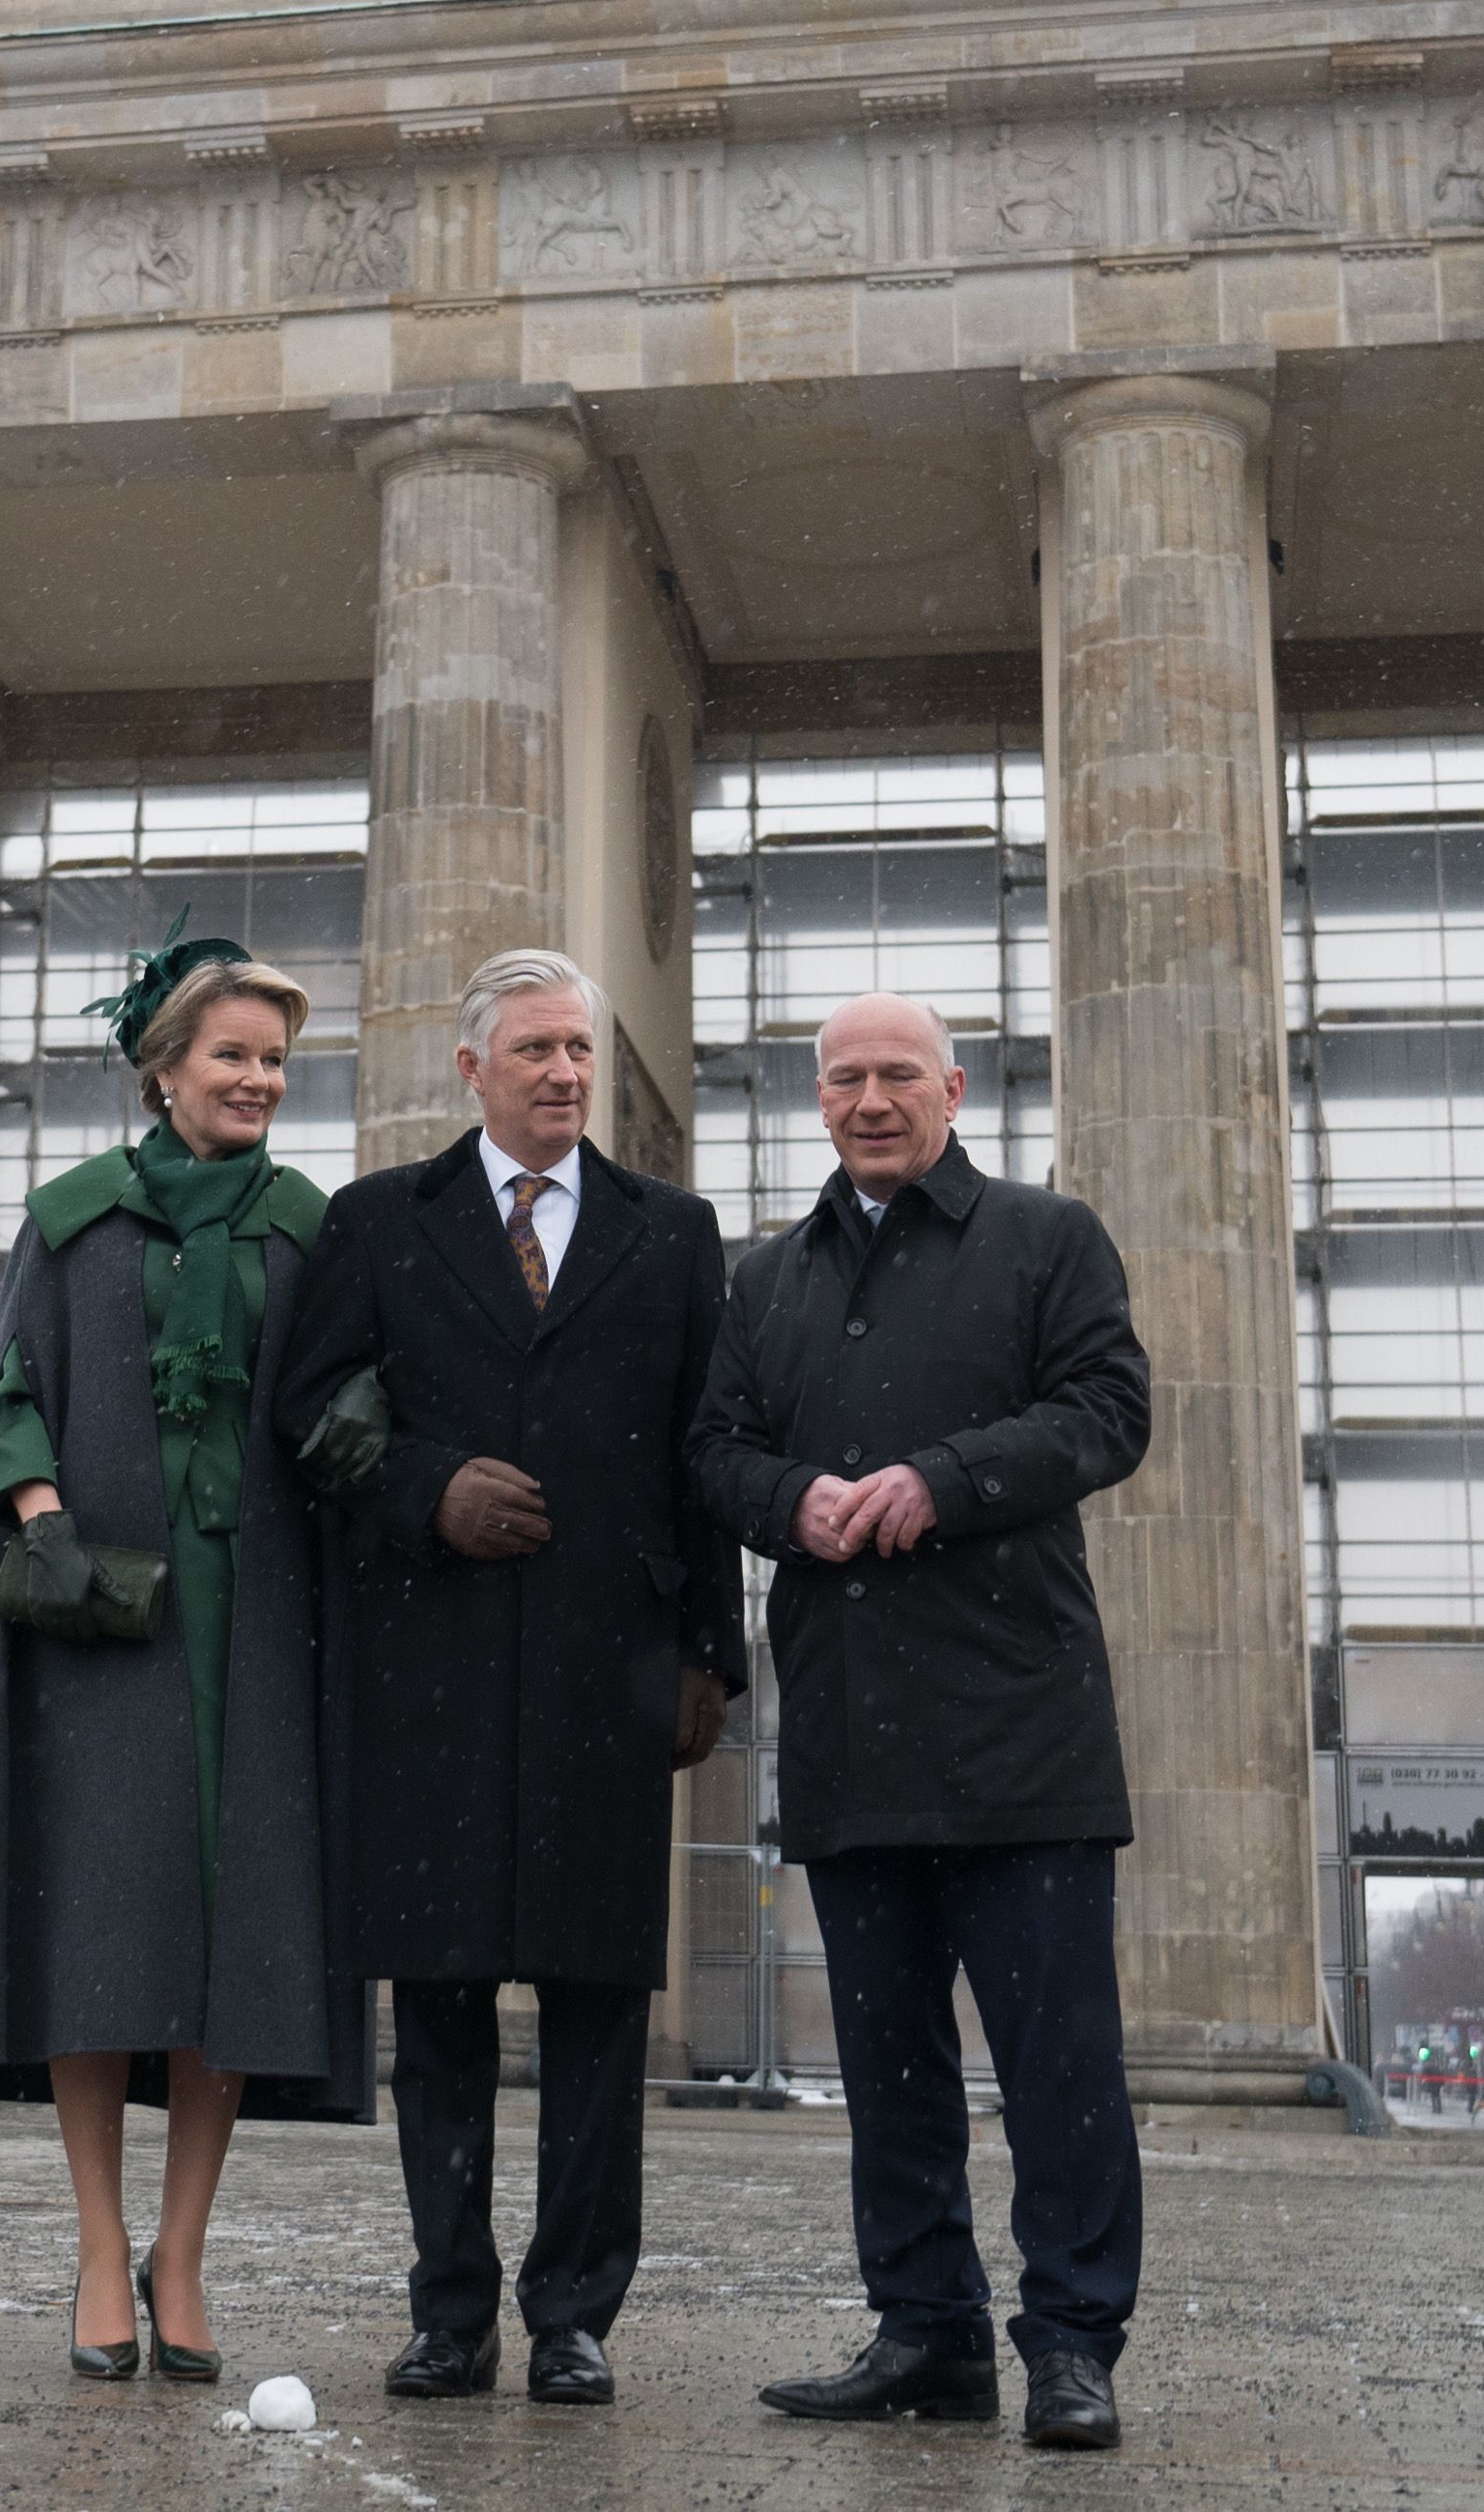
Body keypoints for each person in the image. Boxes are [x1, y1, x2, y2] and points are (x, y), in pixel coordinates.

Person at [271, 951, 745, 2411]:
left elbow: (704, 1456)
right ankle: (450, 2309)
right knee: (445, 2003)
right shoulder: (374, 1225)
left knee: (600, 2002)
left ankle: (577, 2312)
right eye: (534, 1050)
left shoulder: (675, 1235)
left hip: (613, 1666)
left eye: (579, 1052)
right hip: (433, 1668)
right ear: (470, 1067)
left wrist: (709, 1657)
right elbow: (304, 1420)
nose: (562, 1073)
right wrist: (426, 1491)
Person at [684, 991, 1155, 2456]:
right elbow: (713, 1449)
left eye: (899, 1074)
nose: (871, 1098)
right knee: (887, 2068)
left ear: (955, 1085)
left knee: (1059, 2062)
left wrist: (943, 1477)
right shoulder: (765, 1280)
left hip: (1025, 1729)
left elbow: (1109, 1411)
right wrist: (790, 1499)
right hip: (850, 1726)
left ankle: (1072, 2344)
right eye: (844, 1078)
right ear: (815, 1097)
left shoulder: (1046, 1237)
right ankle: (929, 2333)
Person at [0, 928, 366, 2383]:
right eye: (231, 1053)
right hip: (110, 1623)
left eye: (276, 1059)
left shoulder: (311, 1226)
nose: (258, 1078)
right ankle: (102, 2249)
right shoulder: (71, 1218)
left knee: (235, 1943)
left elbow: (347, 1388)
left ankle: (185, 2251)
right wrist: (41, 1515)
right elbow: (8, 1393)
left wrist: (363, 1421)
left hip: (261, 1627)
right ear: (163, 1068)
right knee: (99, 1936)